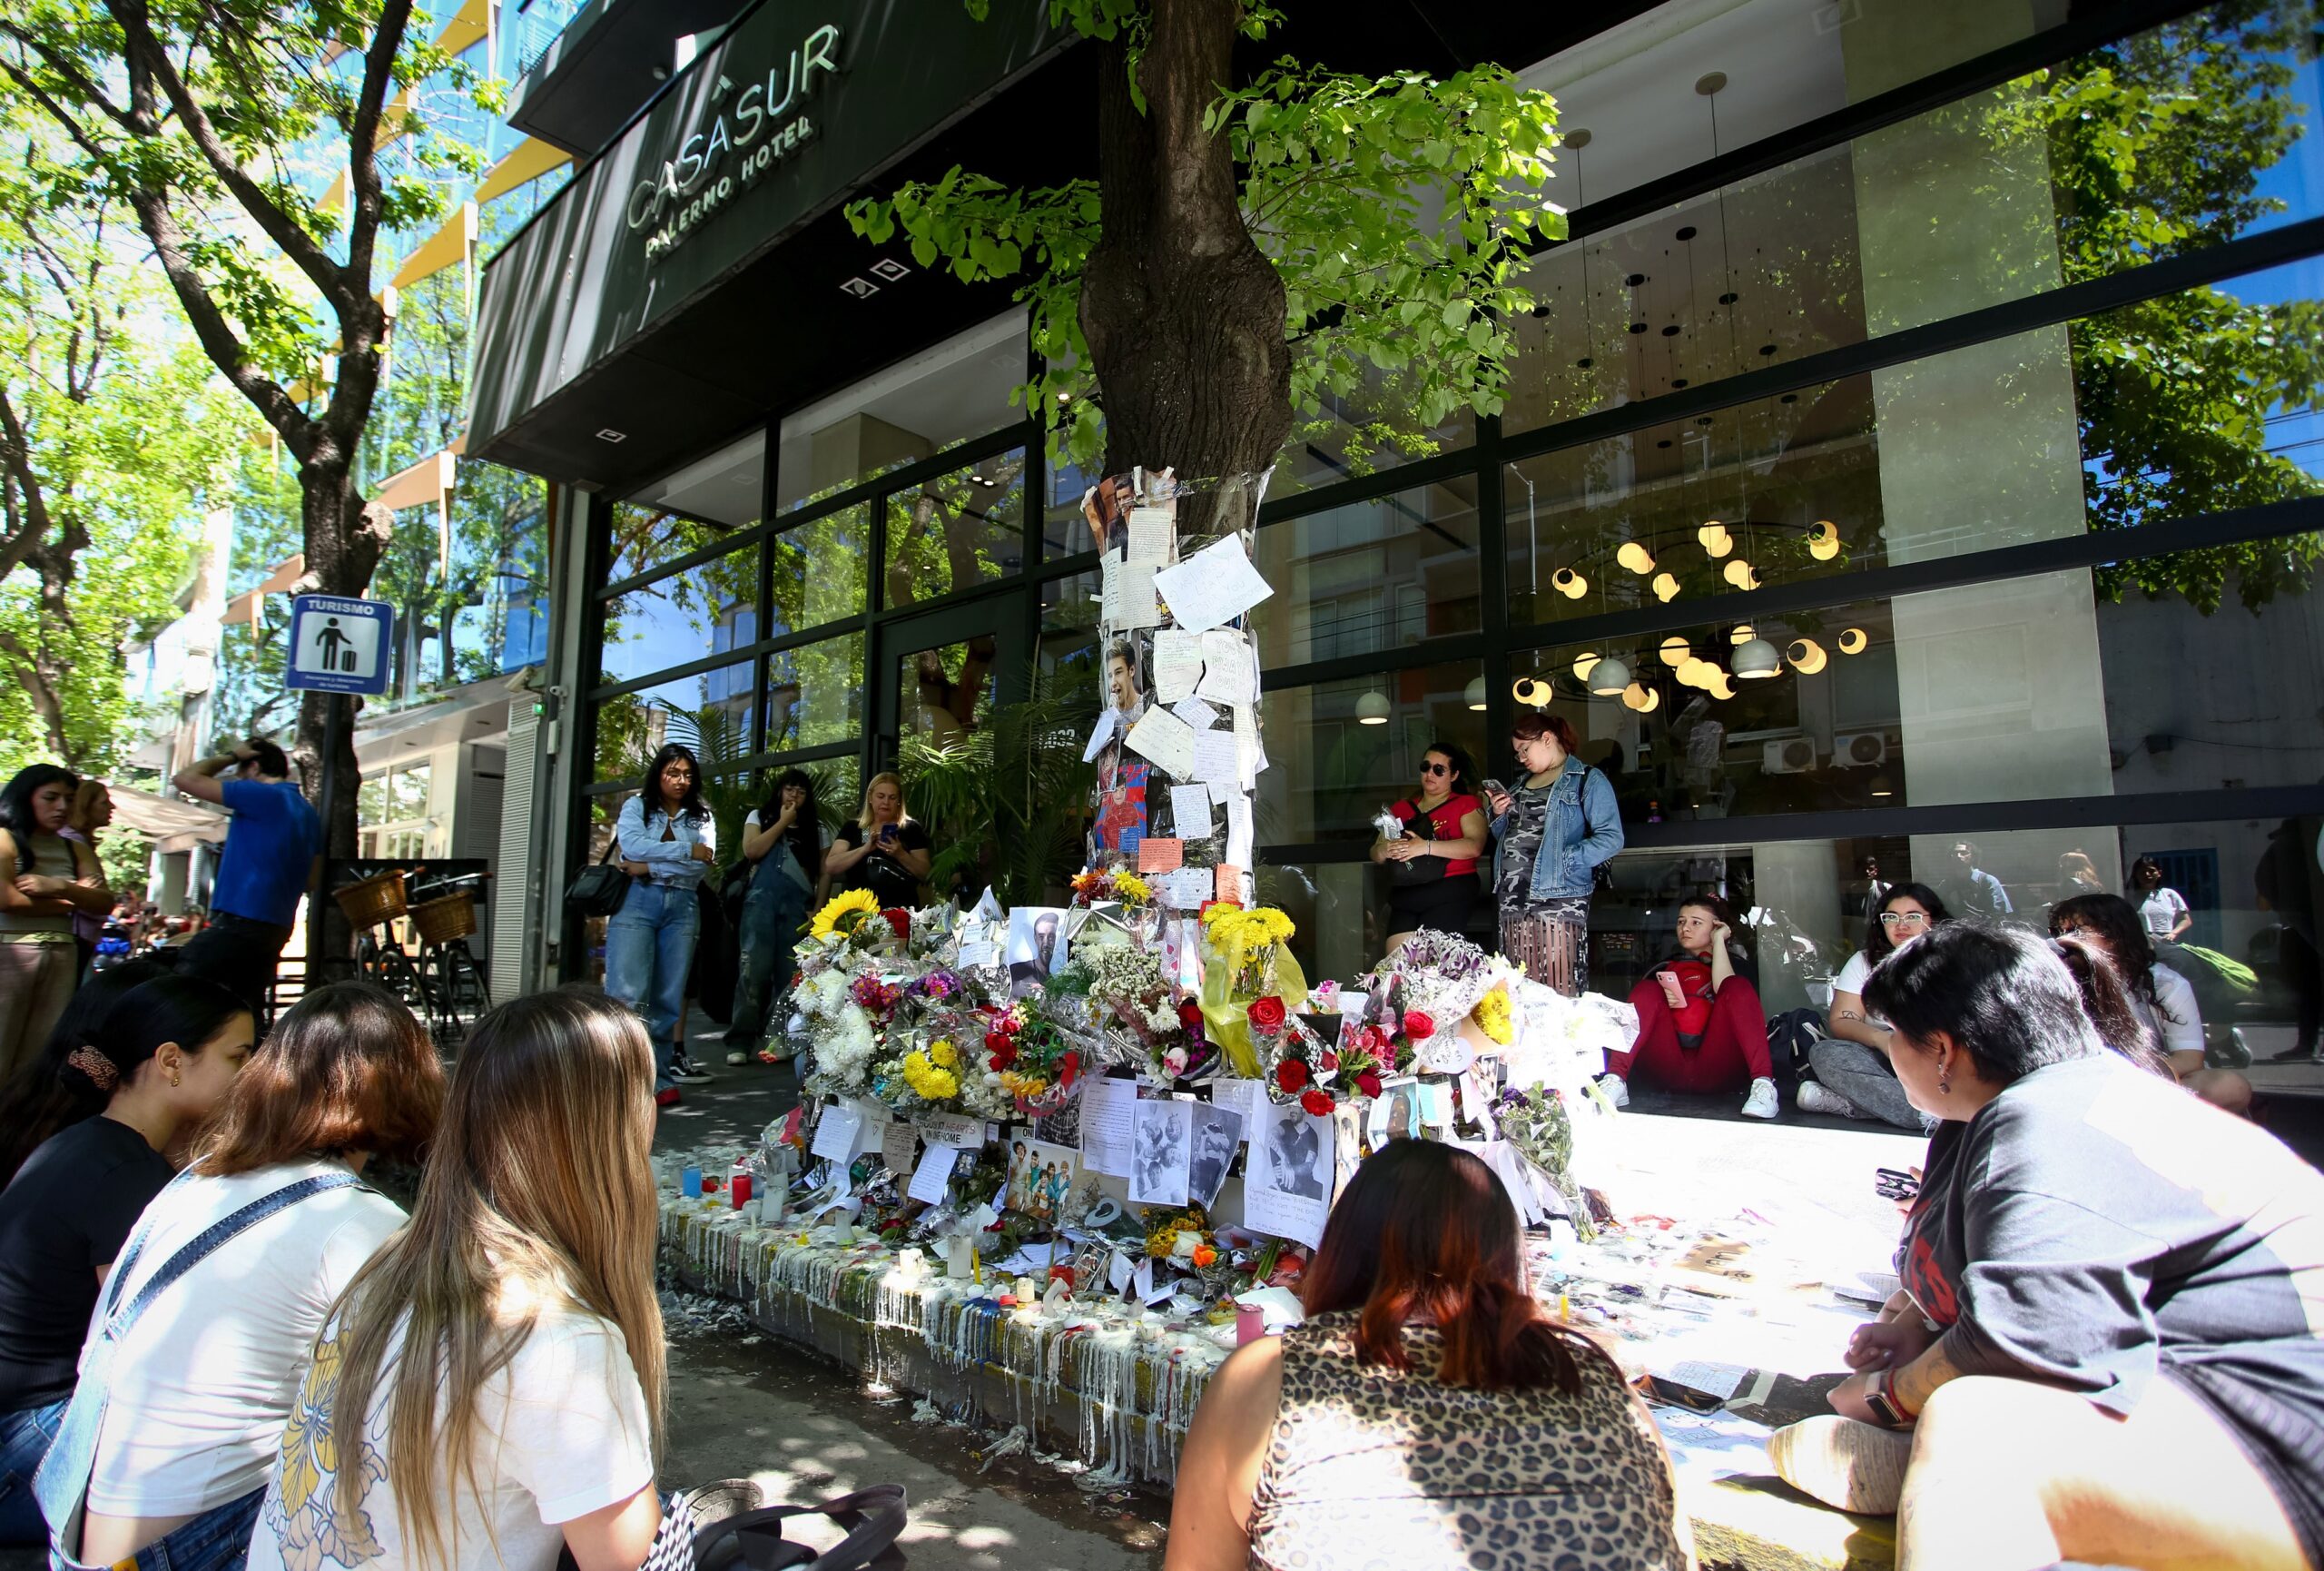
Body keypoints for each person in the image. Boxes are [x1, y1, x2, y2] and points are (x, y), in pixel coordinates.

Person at [1818, 924, 2324, 1571]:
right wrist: (1923, 1326)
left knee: (1968, 1425)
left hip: (2283, 1444)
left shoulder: (2042, 1114)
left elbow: (2029, 1343)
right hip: (2217, 1406)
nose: (1889, 1052)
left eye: (1894, 1037)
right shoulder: (2067, 1092)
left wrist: (1891, 1393)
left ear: (1941, 1050)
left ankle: (1963, 1477)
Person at [244, 989, 666, 1571]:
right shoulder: (556, 1342)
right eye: (644, 1093)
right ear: (606, 1128)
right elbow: (626, 1558)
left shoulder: (385, 1268)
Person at [44, 983, 442, 1571]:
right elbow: (423, 1393)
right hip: (189, 1546)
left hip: (83, 1535)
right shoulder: (355, 1222)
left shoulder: (200, 1180)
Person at [1165, 1140, 1690, 1571]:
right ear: (1507, 1259)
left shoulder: (1267, 1378)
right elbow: (1679, 1550)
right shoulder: (1596, 1379)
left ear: (1344, 1250)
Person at [0, 976, 251, 1546]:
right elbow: (145, 1352)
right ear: (171, 1062)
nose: (252, 1076)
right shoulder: (126, 1177)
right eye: (239, 1056)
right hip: (26, 1444)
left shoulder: (90, 1144)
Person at [2051, 892, 2250, 1115]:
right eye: (2058, 932)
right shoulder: (2056, 985)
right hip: (2084, 1087)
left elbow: (2189, 1058)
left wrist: (2129, 1082)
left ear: (2114, 935)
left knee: (2230, 1086)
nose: (2062, 941)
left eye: (2076, 932)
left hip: (2149, 1082)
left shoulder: (2165, 984)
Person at [169, 740, 322, 1023]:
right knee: (243, 1010)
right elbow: (311, 880)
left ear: (253, 766)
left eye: (240, 771)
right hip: (276, 925)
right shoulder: (307, 813)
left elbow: (184, 779)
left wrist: (231, 755)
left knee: (182, 997)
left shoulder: (262, 795)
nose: (237, 780)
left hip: (239, 919)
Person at [606, 743, 715, 1109]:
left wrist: (650, 865)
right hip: (637, 902)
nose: (680, 780)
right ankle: (622, 1080)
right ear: (659, 774)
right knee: (628, 995)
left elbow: (703, 865)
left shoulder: (702, 817)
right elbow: (633, 846)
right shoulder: (636, 806)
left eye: (686, 774)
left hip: (682, 905)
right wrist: (684, 852)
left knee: (668, 1000)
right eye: (673, 773)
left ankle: (659, 1077)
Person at [1485, 713, 1622, 997]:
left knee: (1559, 982)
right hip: (1513, 895)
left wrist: (1565, 860)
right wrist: (1499, 814)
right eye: (1517, 752)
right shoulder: (1520, 785)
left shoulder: (1587, 779)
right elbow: (1510, 837)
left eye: (1524, 749)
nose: (1521, 757)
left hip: (1559, 894)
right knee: (1519, 986)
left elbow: (1611, 838)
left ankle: (1562, 1043)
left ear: (1547, 738)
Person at [1603, 895, 1777, 1119]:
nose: (1685, 928)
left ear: (1717, 926)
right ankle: (1615, 1079)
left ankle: (1764, 1085)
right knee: (1646, 990)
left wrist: (1718, 943)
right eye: (1681, 921)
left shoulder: (1739, 966)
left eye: (1696, 922)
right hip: (1669, 1064)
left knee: (1736, 986)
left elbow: (1727, 988)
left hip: (1718, 1067)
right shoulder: (1666, 965)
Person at [1799, 884, 1949, 1131]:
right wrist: (1884, 1041)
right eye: (1891, 917)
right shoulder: (1864, 962)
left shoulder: (1952, 960)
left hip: (1940, 1057)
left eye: (1913, 916)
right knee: (1827, 1052)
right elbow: (1842, 1021)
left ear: (1933, 920)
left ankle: (1854, 1105)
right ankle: (1928, 1116)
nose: (1901, 925)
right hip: (1884, 1058)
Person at [0, 766, 111, 1081]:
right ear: (26, 797)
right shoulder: (4, 838)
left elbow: (104, 901)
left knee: (39, 1052)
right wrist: (76, 898)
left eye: (69, 799)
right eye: (51, 798)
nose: (62, 807)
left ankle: (16, 1123)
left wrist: (58, 887)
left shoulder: (74, 847)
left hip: (63, 955)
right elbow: (8, 899)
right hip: (10, 952)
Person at [725, 768, 827, 1067]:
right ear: (779, 791)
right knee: (752, 969)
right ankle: (740, 1040)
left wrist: (818, 912)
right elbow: (752, 850)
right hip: (760, 902)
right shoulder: (759, 816)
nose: (794, 796)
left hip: (798, 906)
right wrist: (783, 822)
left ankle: (779, 1038)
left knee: (789, 975)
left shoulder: (817, 828)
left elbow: (825, 873)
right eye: (789, 789)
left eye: (801, 791)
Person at [1371, 742, 1487, 951]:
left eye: (1439, 770)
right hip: (1405, 892)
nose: (1430, 774)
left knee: (1433, 968)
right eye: (1425, 767)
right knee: (1396, 968)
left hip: (1449, 889)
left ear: (1454, 775)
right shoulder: (1401, 808)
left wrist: (1425, 847)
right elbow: (1376, 852)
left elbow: (1474, 846)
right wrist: (1386, 849)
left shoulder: (1466, 804)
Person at [825, 771, 929, 912]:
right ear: (870, 797)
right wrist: (863, 850)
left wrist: (901, 854)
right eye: (881, 796)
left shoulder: (910, 829)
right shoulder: (856, 828)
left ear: (899, 800)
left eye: (892, 798)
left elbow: (926, 874)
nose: (886, 802)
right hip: (858, 911)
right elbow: (830, 865)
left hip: (899, 912)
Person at [60, 780, 116, 980]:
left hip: (80, 938)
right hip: (72, 937)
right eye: (104, 802)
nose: (112, 807)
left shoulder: (77, 841)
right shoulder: (71, 841)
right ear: (85, 805)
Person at [1934, 838, 2011, 918]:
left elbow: (1999, 912)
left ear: (1973, 857)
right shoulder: (1946, 884)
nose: (1958, 856)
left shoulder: (1988, 881)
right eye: (1955, 853)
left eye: (1964, 853)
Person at [2129, 855, 2192, 942]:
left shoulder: (2170, 894)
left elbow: (2186, 920)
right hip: (2142, 943)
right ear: (2136, 875)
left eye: (2151, 871)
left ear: (2159, 873)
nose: (2147, 874)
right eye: (2142, 872)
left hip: (2166, 942)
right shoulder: (2130, 898)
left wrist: (2173, 933)